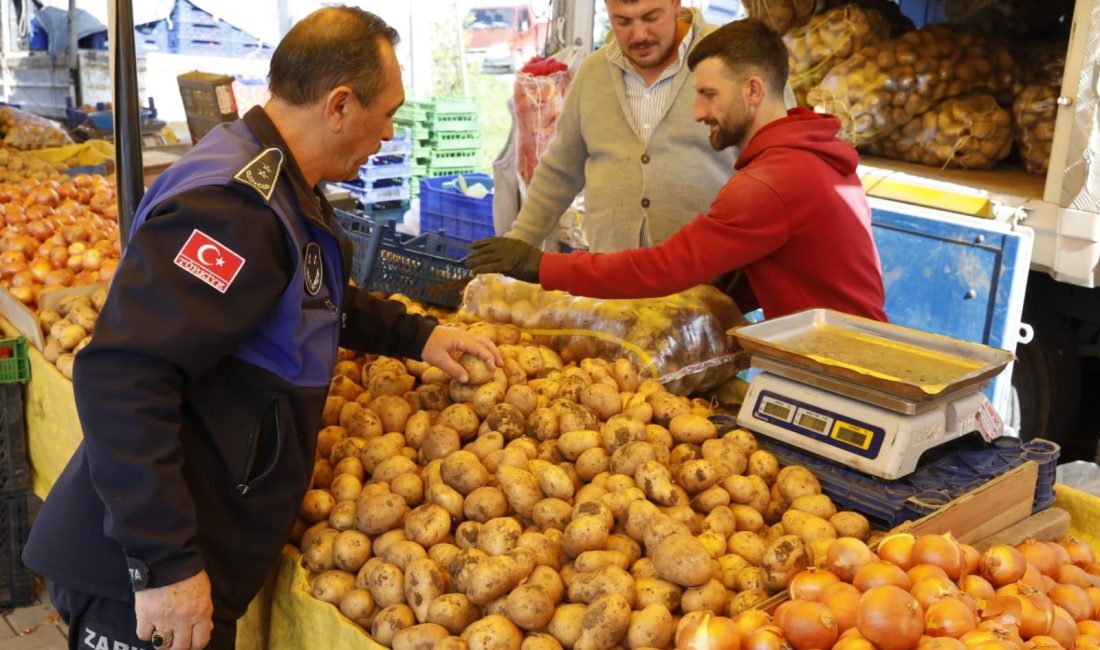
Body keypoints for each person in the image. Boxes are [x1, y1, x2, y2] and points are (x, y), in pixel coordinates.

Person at [21, 8, 501, 650]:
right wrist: (163, 565)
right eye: (386, 113)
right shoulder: (231, 209)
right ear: (338, 105)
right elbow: (124, 373)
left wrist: (419, 337)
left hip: (195, 539)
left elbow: (307, 293)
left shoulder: (275, 179)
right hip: (135, 580)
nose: (388, 134)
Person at [468, 18, 888, 322]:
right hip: (842, 344)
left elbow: (664, 267)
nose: (698, 111)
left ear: (754, 90)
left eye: (708, 94)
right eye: (622, 19)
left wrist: (540, 266)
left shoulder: (768, 183)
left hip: (836, 365)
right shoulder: (810, 152)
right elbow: (779, 265)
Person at [503, 0, 741, 251]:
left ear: (675, 4)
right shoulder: (593, 74)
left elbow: (776, 159)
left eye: (651, 17)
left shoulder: (735, 59)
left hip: (710, 277)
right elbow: (560, 171)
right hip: (610, 277)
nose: (639, 35)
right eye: (623, 22)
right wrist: (518, 243)